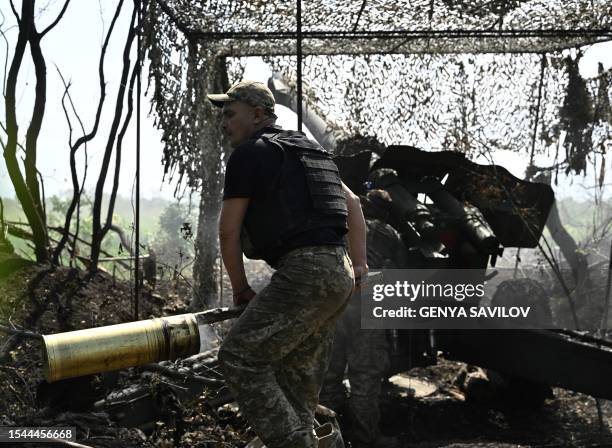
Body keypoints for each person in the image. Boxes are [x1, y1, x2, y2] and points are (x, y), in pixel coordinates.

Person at [207, 80, 368, 448]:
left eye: (231, 114)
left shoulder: (248, 154)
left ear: (258, 114)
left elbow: (229, 232)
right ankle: (313, 439)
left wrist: (241, 288)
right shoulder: (308, 149)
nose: (224, 123)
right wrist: (358, 266)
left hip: (306, 271)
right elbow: (355, 206)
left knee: (239, 358)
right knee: (298, 376)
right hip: (337, 273)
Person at [320, 193, 408, 448]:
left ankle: (330, 435)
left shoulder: (340, 226)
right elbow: (401, 271)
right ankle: (366, 436)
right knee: (365, 375)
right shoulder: (389, 232)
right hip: (367, 308)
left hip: (335, 306)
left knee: (329, 374)